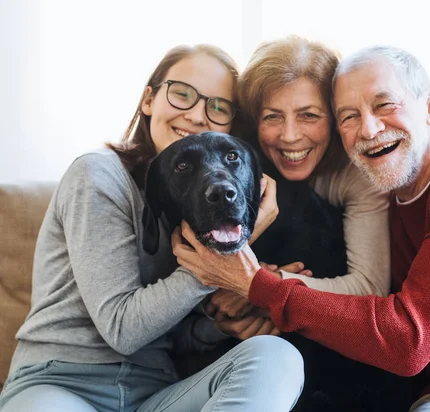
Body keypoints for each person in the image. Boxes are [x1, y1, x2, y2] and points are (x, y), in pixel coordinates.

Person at [172, 44, 430, 411]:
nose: (370, 129)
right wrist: (248, 309)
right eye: (349, 116)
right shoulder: (375, 190)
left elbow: (408, 340)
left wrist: (258, 286)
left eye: (385, 105)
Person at [0, 44, 304, 412]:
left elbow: (173, 335)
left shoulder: (200, 202)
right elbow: (123, 330)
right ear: (148, 100)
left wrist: (219, 327)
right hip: (61, 382)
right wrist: (232, 251)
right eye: (182, 94)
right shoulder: (98, 174)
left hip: (154, 394)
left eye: (217, 106)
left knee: (276, 356)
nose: (196, 115)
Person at [201, 36, 418, 411]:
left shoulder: (360, 168)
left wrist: (260, 287)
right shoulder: (235, 162)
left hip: (340, 357)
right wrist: (220, 318)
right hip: (252, 352)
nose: (289, 136)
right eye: (272, 116)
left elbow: (369, 286)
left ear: (334, 117)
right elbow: (206, 275)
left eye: (309, 115)